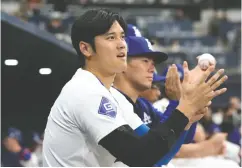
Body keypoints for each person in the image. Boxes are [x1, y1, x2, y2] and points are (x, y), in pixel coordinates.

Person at [42, 9, 227, 167]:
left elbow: (156, 153)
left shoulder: (112, 95)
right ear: (86, 48)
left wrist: (187, 117)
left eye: (122, 36)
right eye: (111, 37)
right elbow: (139, 157)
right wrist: (184, 109)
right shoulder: (85, 91)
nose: (122, 44)